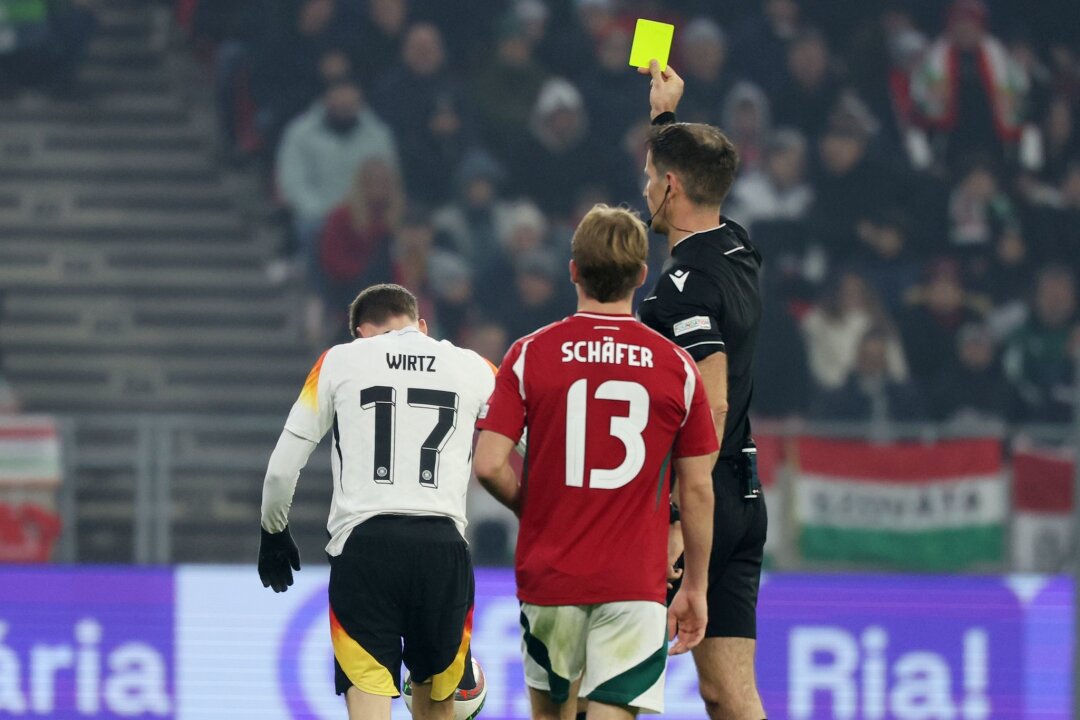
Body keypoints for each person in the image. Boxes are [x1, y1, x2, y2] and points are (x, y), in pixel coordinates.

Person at [473, 205, 718, 720]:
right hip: (635, 584)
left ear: (573, 270)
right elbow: (696, 489)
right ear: (641, 276)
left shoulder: (529, 354)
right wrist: (695, 585)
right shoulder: (677, 367)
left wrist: (531, 508)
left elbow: (490, 464)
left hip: (551, 576)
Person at [257, 284, 495, 720]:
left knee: (367, 701)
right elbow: (534, 442)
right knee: (440, 708)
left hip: (365, 551)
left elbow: (280, 469)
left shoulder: (340, 360)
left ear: (360, 334)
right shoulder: (474, 367)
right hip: (443, 550)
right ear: (420, 325)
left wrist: (273, 529)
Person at [634, 61, 768, 720]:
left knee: (614, 677)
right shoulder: (738, 248)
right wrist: (665, 119)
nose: (643, 189)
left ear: (670, 184)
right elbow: (694, 227)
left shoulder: (678, 290)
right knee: (728, 693)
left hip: (701, 498)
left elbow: (709, 401)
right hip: (746, 490)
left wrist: (685, 523)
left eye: (650, 177)